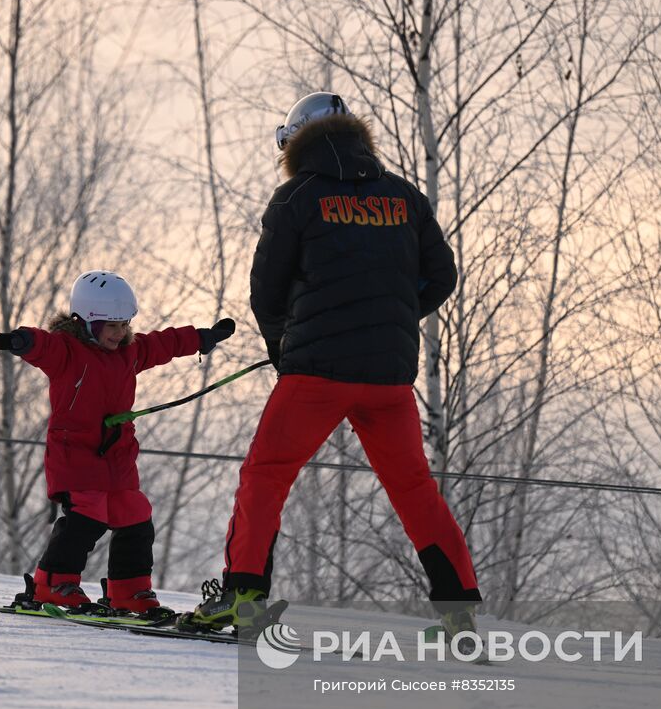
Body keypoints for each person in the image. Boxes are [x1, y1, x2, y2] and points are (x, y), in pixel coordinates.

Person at [191, 92, 482, 635]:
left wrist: (286, 346)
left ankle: (243, 599)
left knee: (266, 477)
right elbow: (442, 278)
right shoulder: (406, 198)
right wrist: (386, 319)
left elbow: (267, 293)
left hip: (314, 375)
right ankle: (458, 611)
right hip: (388, 378)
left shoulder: (295, 198)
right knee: (415, 489)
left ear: (296, 142)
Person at [0, 270, 234, 615]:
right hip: (76, 454)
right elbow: (44, 345)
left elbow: (162, 344)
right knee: (87, 516)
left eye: (124, 324)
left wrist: (201, 338)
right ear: (87, 322)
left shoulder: (128, 353)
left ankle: (129, 589)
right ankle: (53, 583)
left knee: (135, 515)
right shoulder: (68, 352)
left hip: (117, 457)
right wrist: (21, 341)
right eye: (111, 326)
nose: (119, 333)